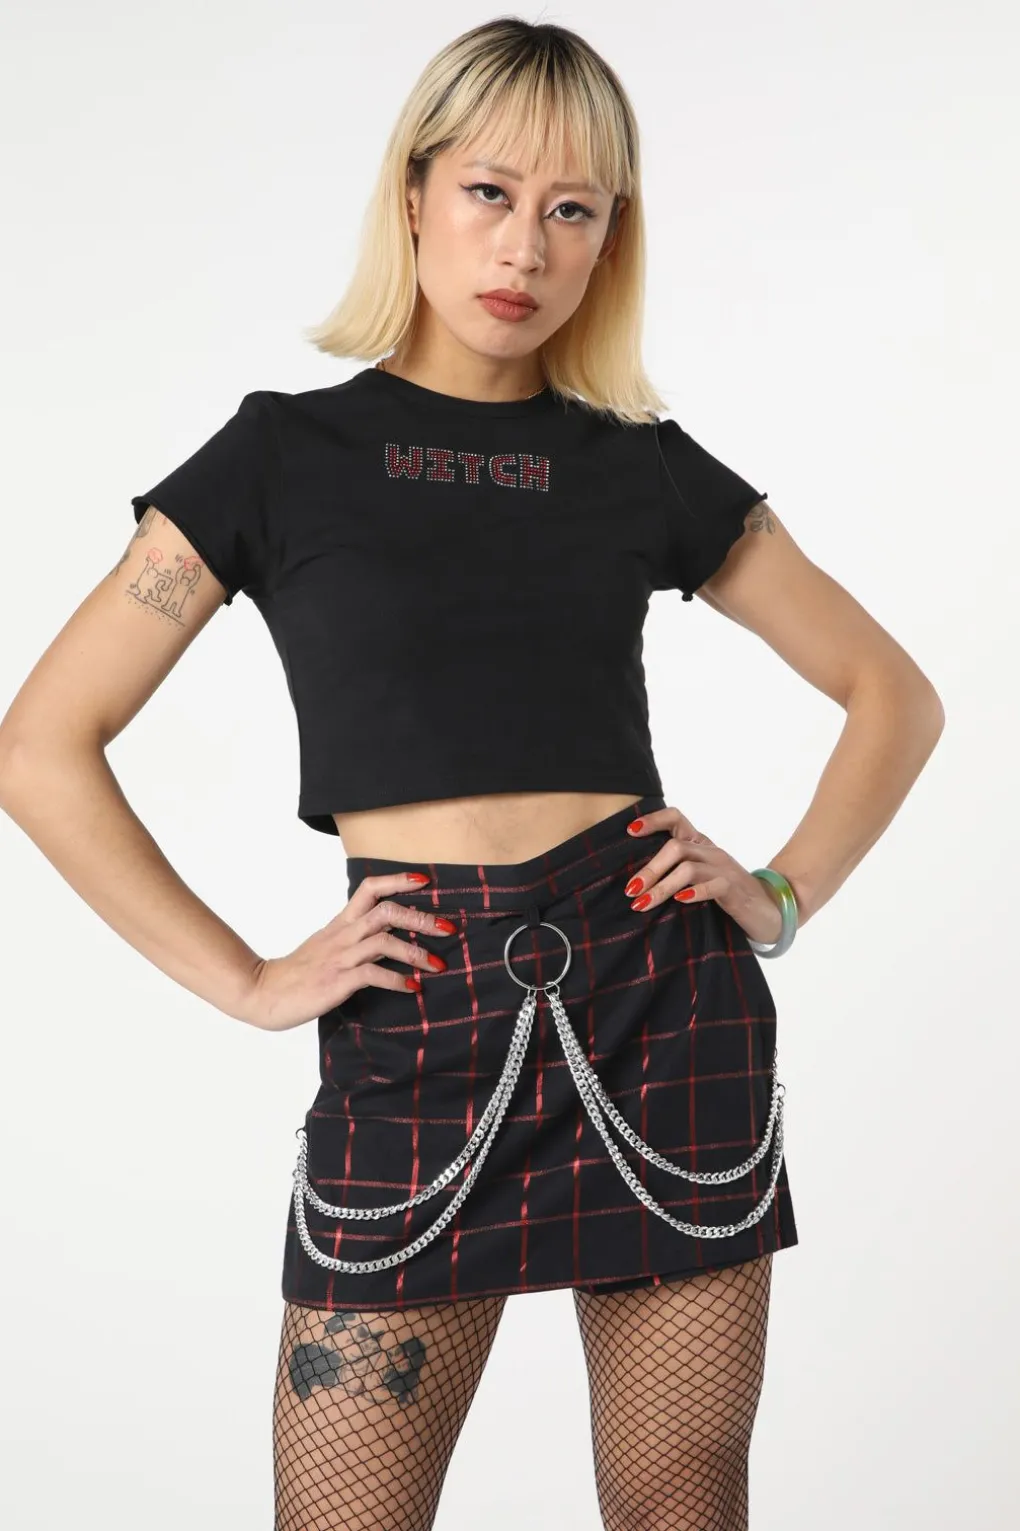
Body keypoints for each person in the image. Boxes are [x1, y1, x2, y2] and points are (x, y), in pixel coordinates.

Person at [0, 17, 945, 1531]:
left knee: (679, 1504)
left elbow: (894, 693)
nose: (525, 246)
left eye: (573, 209)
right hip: (418, 1014)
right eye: (491, 193)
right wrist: (246, 979)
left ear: (609, 238)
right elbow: (40, 745)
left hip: (661, 1003)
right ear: (415, 195)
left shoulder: (639, 461)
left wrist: (778, 893)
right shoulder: (278, 458)